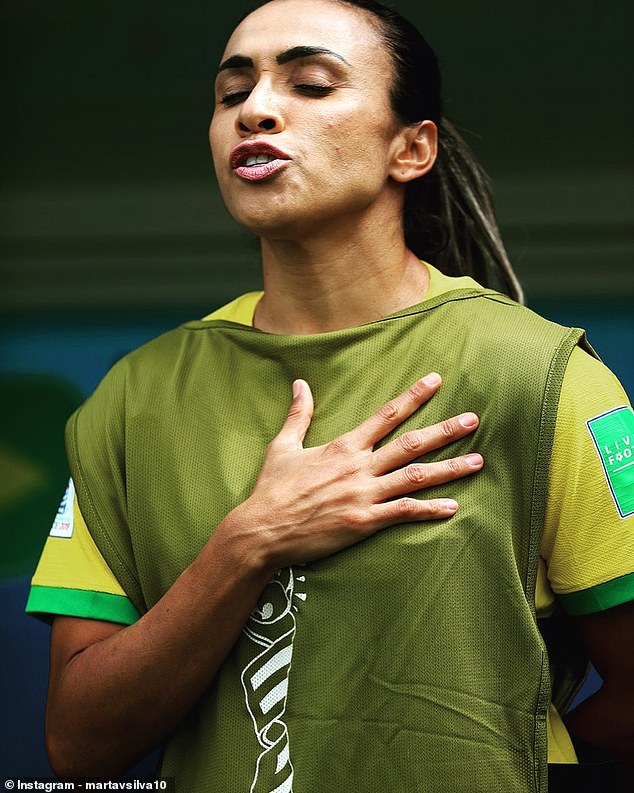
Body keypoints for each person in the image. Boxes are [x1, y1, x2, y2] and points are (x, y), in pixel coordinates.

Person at [26, 0, 634, 790]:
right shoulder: (133, 399)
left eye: (310, 84)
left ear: (411, 148)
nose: (256, 110)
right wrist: (248, 542)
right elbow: (77, 744)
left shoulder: (546, 377)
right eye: (231, 92)